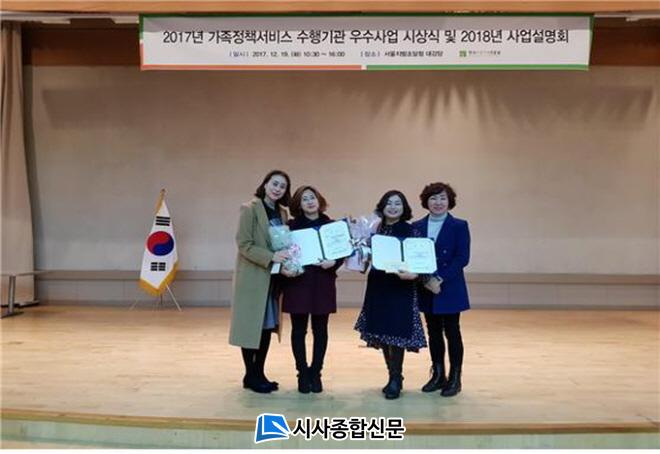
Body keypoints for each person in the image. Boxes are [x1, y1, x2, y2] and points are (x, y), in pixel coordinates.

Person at [354, 190, 427, 400]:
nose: (393, 207)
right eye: (389, 203)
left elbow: (421, 258)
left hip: (401, 287)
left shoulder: (411, 230)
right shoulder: (374, 229)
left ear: (404, 208)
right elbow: (366, 258)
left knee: (397, 332)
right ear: (382, 206)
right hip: (378, 284)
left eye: (397, 203)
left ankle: (396, 377)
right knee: (382, 331)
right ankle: (392, 375)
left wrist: (414, 273)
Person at [228, 170, 292, 394]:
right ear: (265, 184)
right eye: (274, 184)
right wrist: (271, 257)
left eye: (282, 186)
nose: (277, 189)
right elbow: (244, 244)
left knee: (266, 326)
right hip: (252, 277)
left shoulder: (283, 213)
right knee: (250, 327)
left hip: (272, 278)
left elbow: (284, 243)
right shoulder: (249, 208)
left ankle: (258, 373)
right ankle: (251, 374)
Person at [281, 186, 342, 394]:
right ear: (298, 204)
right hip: (298, 282)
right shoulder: (290, 227)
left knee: (320, 330)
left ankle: (316, 372)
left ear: (319, 200)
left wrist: (334, 262)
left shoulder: (331, 226)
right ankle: (302, 373)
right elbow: (283, 253)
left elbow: (342, 252)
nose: (309, 202)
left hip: (323, 282)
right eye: (304, 199)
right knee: (298, 330)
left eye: (312, 197)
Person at [412, 182, 470, 397]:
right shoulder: (416, 226)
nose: (438, 202)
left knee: (452, 331)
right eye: (433, 198)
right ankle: (438, 375)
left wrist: (440, 279)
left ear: (450, 201)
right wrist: (427, 280)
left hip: (449, 285)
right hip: (426, 285)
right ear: (426, 202)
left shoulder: (459, 226)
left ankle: (455, 377)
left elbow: (462, 258)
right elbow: (414, 256)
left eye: (443, 198)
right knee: (433, 331)